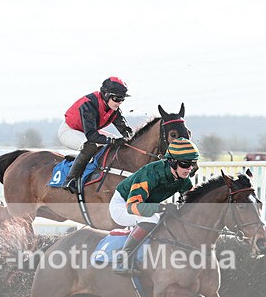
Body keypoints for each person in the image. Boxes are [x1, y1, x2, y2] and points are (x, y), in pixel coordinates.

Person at [108, 138, 200, 274]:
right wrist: (162, 208)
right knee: (152, 218)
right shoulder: (150, 174)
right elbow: (132, 207)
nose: (190, 168)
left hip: (145, 206)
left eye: (193, 164)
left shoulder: (182, 179)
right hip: (122, 205)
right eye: (185, 164)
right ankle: (123, 258)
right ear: (172, 162)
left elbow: (193, 200)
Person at [59, 77, 133, 194]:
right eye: (116, 98)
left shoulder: (114, 108)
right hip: (69, 130)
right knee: (91, 146)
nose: (119, 102)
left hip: (87, 131)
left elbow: (126, 130)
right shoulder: (89, 105)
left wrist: (129, 138)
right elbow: (92, 136)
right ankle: (69, 180)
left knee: (115, 143)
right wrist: (113, 141)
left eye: (122, 99)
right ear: (105, 94)